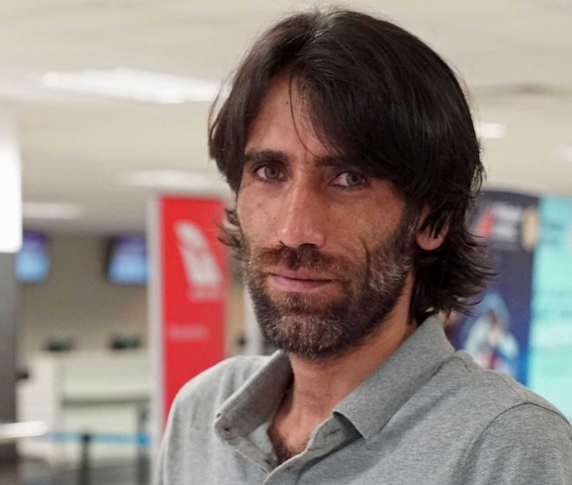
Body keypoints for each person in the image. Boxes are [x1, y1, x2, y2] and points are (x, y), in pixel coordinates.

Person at [156, 8, 572, 484]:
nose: (293, 230)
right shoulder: (204, 412)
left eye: (348, 179)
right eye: (270, 172)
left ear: (432, 219)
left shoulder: (505, 444)